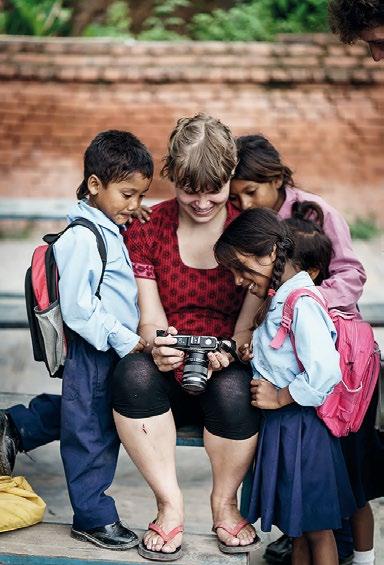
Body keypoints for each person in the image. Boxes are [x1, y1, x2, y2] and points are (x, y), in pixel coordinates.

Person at [111, 113, 262, 561]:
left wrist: (229, 352)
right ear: (172, 177)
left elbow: (246, 325)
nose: (200, 202)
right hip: (167, 362)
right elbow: (150, 315)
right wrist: (160, 346)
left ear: (229, 177)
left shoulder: (248, 229)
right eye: (188, 190)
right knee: (131, 375)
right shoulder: (147, 227)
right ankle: (169, 504)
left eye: (212, 191)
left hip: (225, 364)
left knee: (239, 390)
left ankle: (225, 504)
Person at [0, 130, 153, 551]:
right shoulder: (84, 237)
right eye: (127, 194)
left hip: (107, 347)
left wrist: (130, 214)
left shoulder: (107, 225)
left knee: (85, 412)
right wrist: (125, 340)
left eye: (140, 196)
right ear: (94, 184)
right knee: (92, 431)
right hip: (96, 347)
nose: (134, 205)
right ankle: (93, 516)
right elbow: (80, 310)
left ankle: (16, 423)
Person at [228, 134, 367, 565]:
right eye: (237, 197)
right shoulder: (257, 231)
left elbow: (351, 274)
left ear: (275, 178)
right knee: (306, 516)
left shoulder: (315, 215)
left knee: (341, 480)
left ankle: (353, 552)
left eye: (252, 191)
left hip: (331, 356)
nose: (246, 203)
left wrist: (301, 304)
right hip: (292, 365)